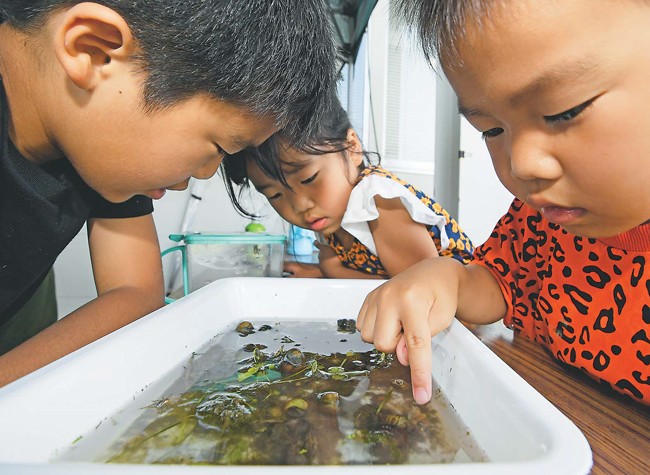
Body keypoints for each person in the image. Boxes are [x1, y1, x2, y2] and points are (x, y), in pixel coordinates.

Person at [0, 1, 337, 386]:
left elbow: (136, 291)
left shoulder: (100, 140)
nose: (204, 173)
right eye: (219, 147)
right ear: (94, 51)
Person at [356, 0, 650, 406]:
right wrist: (449, 278)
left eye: (565, 110)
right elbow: (500, 281)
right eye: (491, 130)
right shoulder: (542, 219)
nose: (521, 164)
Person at [221, 95, 474, 280]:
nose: (299, 206)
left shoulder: (380, 201)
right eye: (275, 194)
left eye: (309, 179)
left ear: (352, 147)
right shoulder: (328, 213)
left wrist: (332, 273)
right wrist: (323, 272)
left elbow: (422, 290)